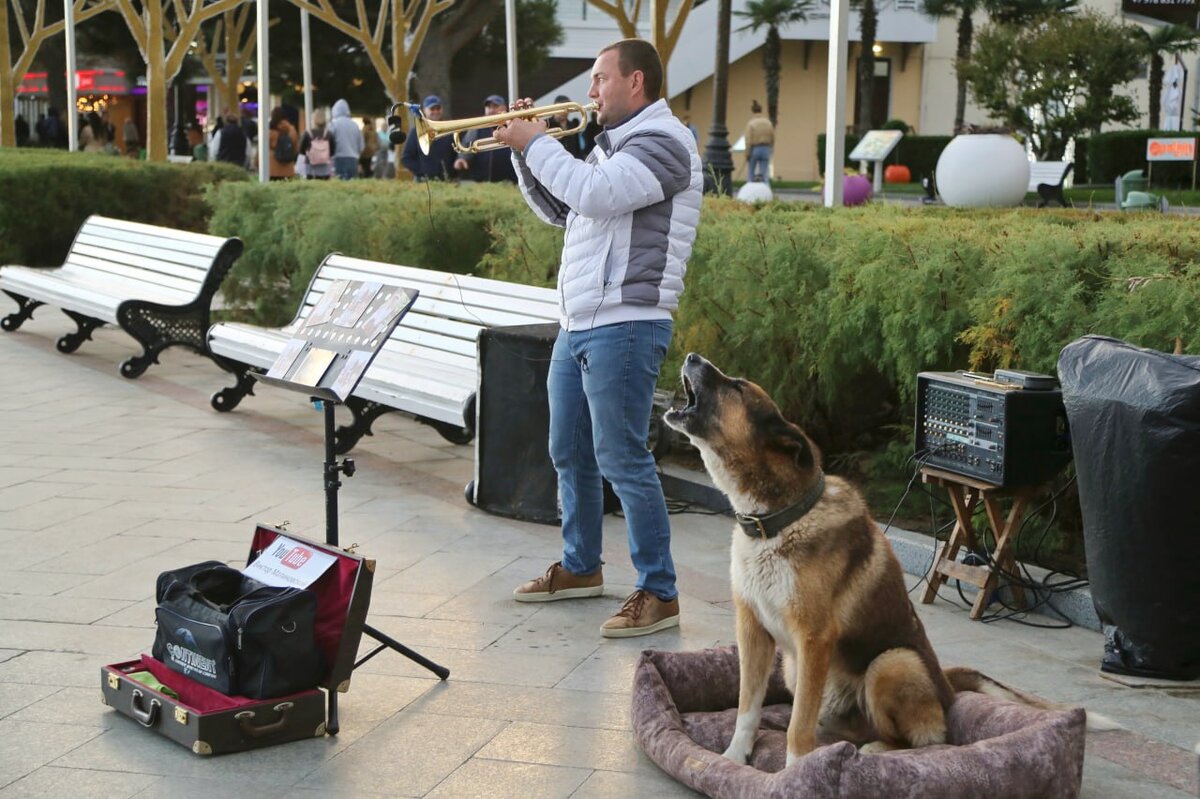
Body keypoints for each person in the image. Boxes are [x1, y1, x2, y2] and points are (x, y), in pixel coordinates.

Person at [493, 39, 702, 638]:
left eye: (600, 80)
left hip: (628, 320)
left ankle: (659, 592)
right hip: (581, 320)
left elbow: (591, 194)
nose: (590, 92)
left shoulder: (665, 144)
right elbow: (565, 209)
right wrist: (521, 150)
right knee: (569, 450)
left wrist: (536, 141)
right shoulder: (615, 147)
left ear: (635, 83)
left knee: (621, 457)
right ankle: (582, 567)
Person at [453, 95, 517, 182]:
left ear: (504, 108)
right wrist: (462, 158)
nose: (491, 110)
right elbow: (467, 145)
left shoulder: (512, 126)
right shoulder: (477, 128)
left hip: (511, 182)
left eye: (495, 106)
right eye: (488, 107)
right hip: (483, 183)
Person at [400, 95, 456, 181]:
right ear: (424, 111)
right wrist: (423, 171)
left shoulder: (449, 130)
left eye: (438, 108)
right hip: (424, 182)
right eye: (432, 109)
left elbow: (456, 154)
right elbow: (406, 158)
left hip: (448, 181)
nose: (436, 111)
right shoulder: (416, 132)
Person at [328, 99, 364, 180]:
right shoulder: (355, 125)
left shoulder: (333, 124)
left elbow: (329, 143)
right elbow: (361, 146)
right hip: (353, 160)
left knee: (339, 187)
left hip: (338, 159)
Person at [299, 109, 337, 180]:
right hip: (325, 166)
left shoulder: (307, 133)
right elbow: (332, 151)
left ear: (313, 120)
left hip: (310, 166)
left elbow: (301, 150)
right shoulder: (328, 134)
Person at [548, 94, 586, 160]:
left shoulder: (573, 125)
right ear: (554, 108)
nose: (564, 112)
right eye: (561, 108)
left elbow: (578, 148)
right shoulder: (546, 124)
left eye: (567, 109)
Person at [743, 100, 774, 183]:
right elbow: (772, 137)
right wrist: (770, 149)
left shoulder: (751, 123)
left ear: (753, 111)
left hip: (754, 149)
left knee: (751, 172)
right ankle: (766, 190)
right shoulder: (768, 123)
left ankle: (749, 188)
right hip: (766, 148)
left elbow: (748, 140)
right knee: (764, 173)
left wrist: (747, 153)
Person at [267, 106, 299, 180]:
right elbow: (296, 149)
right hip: (288, 169)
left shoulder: (269, 132)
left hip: (272, 168)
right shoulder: (291, 131)